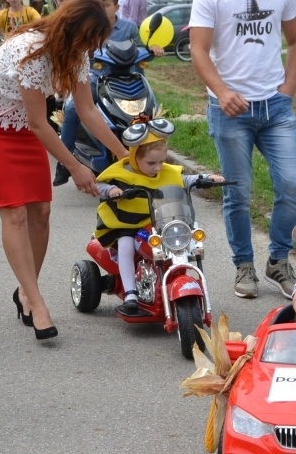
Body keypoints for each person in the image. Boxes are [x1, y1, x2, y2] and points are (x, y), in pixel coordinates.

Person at [0, 0, 129, 341]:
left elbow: (88, 111)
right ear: (72, 30)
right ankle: (36, 302)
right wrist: (77, 167)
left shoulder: (76, 54)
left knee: (41, 212)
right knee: (16, 213)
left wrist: (127, 156)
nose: (90, 50)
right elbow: (40, 123)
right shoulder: (33, 49)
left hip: (24, 126)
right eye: (88, 41)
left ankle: (24, 290)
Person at [189, 0, 296, 300]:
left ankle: (278, 260)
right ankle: (244, 265)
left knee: (291, 185)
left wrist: (287, 89)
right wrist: (222, 92)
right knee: (238, 194)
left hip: (275, 106)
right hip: (229, 110)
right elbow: (199, 49)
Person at [95, 117, 224, 312]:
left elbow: (185, 179)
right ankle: (130, 292)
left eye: (162, 162)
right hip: (128, 226)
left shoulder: (166, 172)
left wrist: (206, 178)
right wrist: (111, 190)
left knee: (185, 241)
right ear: (134, 158)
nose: (157, 168)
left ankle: (178, 281)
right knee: (126, 244)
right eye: (151, 163)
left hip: (161, 222)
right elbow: (100, 185)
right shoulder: (122, 173)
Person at [52, 0, 165, 187]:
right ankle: (64, 161)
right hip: (97, 76)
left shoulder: (129, 27)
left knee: (152, 109)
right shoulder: (89, 27)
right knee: (71, 108)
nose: (103, 9)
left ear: (116, 7)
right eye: (100, 5)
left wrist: (153, 48)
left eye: (106, 5)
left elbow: (142, 46)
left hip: (129, 77)